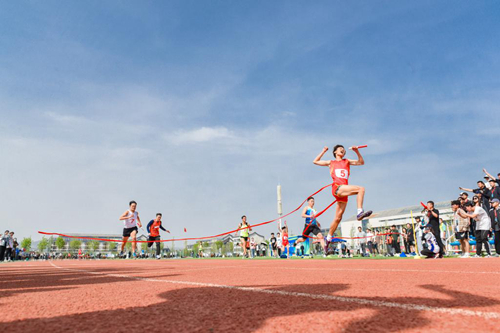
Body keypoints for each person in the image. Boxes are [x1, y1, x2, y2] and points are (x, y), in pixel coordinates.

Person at [313, 145, 372, 253]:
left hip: (344, 192)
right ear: (335, 152)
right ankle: (359, 212)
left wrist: (357, 151)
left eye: (344, 149)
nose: (343, 150)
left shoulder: (347, 161)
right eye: (340, 148)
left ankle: (328, 240)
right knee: (361, 189)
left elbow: (361, 162)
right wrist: (323, 151)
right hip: (337, 188)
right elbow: (315, 161)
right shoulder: (331, 162)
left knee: (338, 218)